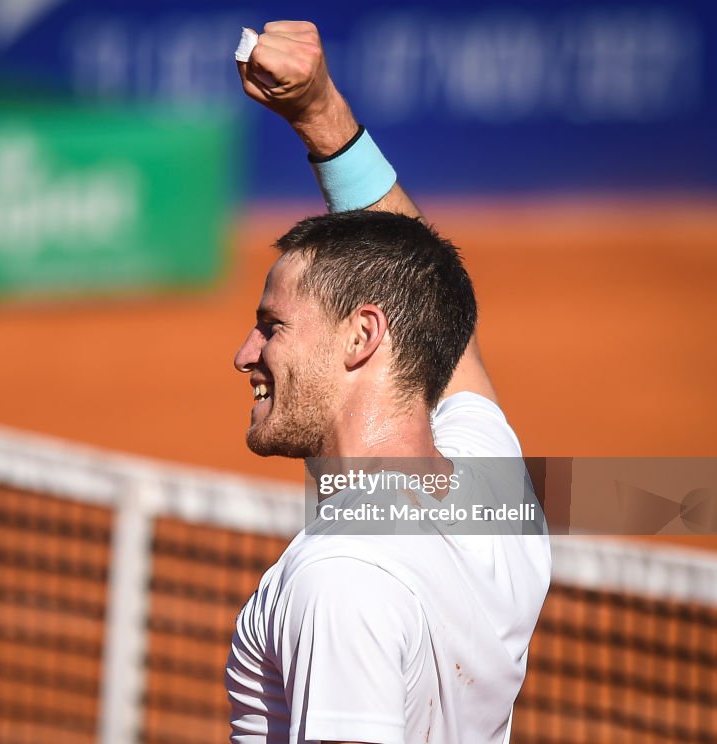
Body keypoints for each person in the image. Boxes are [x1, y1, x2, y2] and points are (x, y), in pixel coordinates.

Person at [225, 21, 551, 744]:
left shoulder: (341, 576)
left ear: (363, 335)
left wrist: (318, 113)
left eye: (272, 325)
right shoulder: (493, 501)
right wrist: (322, 115)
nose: (244, 354)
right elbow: (429, 308)